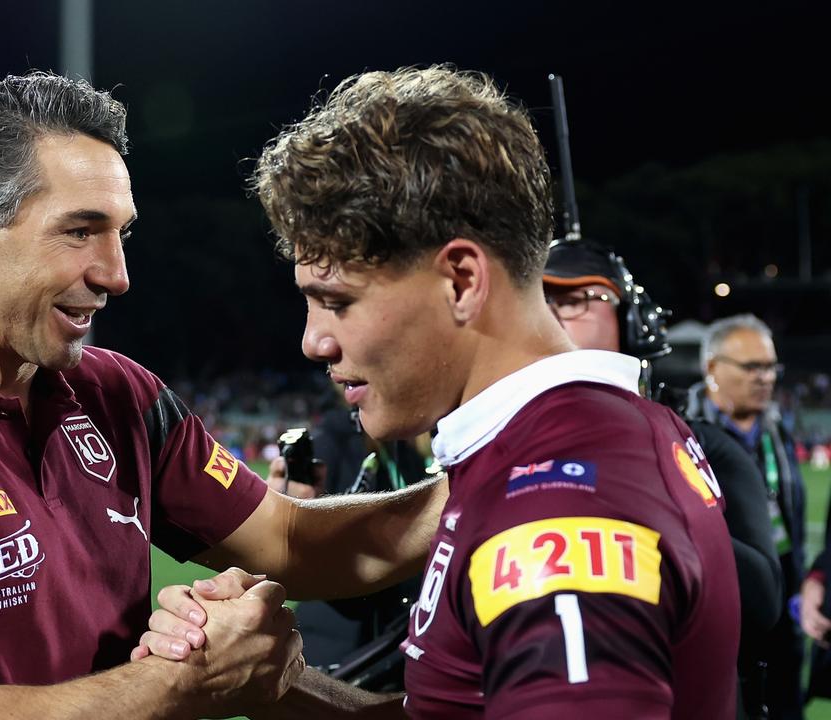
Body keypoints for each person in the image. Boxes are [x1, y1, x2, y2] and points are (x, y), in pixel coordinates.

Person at [0, 72, 447, 719]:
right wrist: (179, 679)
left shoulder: (116, 393)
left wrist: (488, 472)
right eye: (81, 231)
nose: (116, 274)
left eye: (121, 233)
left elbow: (293, 541)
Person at [140, 65, 740, 718]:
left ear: (460, 281)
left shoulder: (558, 515)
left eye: (337, 301)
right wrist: (277, 687)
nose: (315, 342)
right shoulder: (588, 438)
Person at [543, 241, 781, 718]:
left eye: (573, 300)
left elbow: (760, 603)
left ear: (634, 325)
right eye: (538, 302)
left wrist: (636, 495)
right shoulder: (495, 451)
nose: (551, 316)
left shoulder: (704, 447)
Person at [684, 314, 805, 719]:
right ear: (712, 368)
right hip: (727, 604)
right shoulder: (682, 432)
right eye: (752, 367)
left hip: (784, 588)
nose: (765, 377)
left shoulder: (775, 427)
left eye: (771, 366)